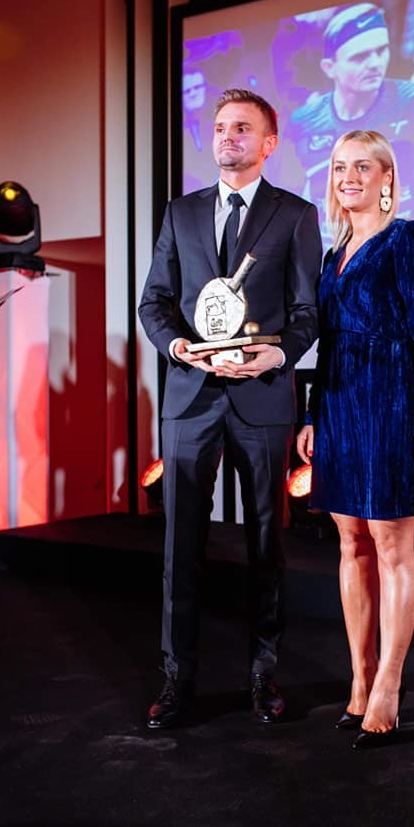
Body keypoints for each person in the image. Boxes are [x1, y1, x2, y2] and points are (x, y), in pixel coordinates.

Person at [139, 88, 322, 729]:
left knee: (266, 544)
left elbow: (307, 312)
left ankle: (263, 676)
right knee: (179, 547)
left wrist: (278, 355)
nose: (227, 137)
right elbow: (154, 302)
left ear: (269, 143)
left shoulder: (295, 215)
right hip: (190, 398)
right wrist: (178, 347)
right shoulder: (181, 212)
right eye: (220, 127)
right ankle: (176, 680)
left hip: (261, 397)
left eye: (242, 128)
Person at [296, 129, 414, 749]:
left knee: (392, 546)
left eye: (363, 167)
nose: (349, 178)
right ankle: (359, 680)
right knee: (350, 544)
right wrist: (313, 415)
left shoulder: (411, 238)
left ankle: (389, 683)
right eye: (340, 167)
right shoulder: (333, 252)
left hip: (393, 404)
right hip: (339, 406)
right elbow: (328, 343)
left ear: (388, 177)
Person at [285, 2, 414, 284]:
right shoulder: (304, 122)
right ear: (330, 67)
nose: (375, 63)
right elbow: (294, 210)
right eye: (360, 57)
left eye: (381, 50)